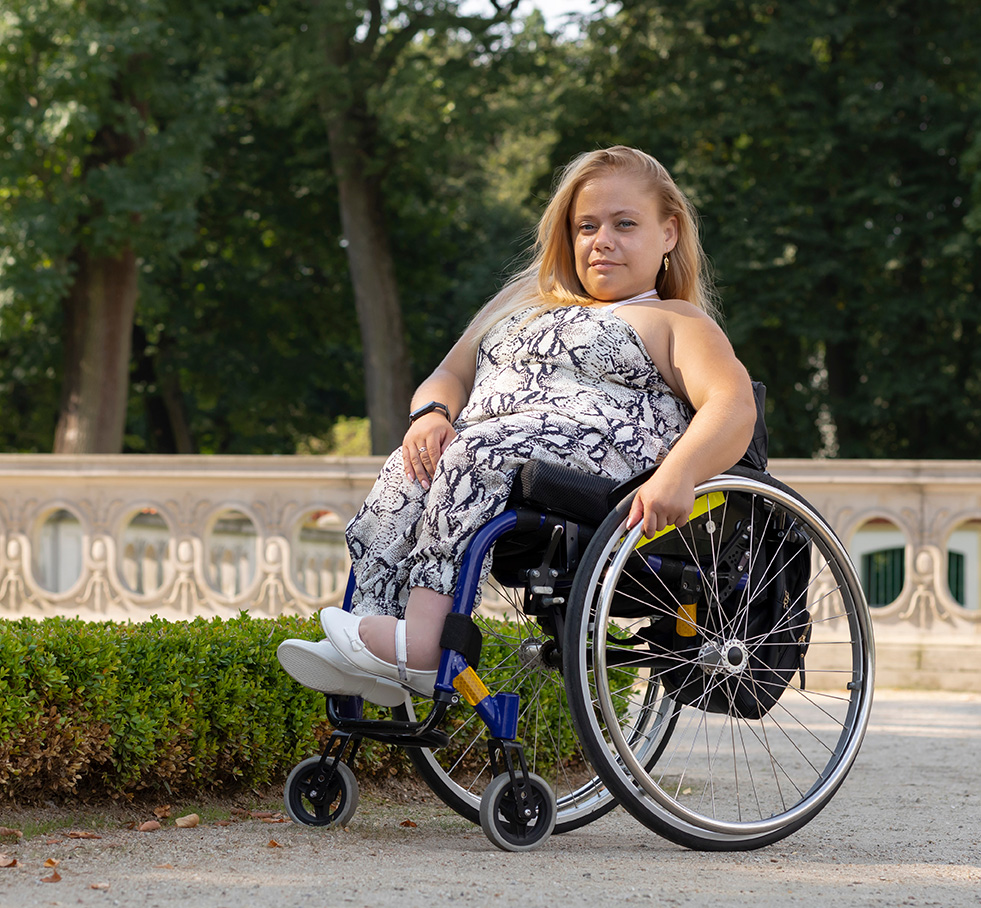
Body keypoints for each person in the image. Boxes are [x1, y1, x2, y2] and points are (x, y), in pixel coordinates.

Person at [277, 145, 757, 707]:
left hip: (597, 465)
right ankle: (373, 640)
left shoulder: (676, 320)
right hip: (492, 451)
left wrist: (676, 475)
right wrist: (430, 415)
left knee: (474, 451)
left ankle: (425, 642)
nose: (601, 240)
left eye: (625, 224)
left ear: (669, 233)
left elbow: (733, 407)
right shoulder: (527, 305)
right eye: (586, 226)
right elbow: (448, 374)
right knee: (412, 464)